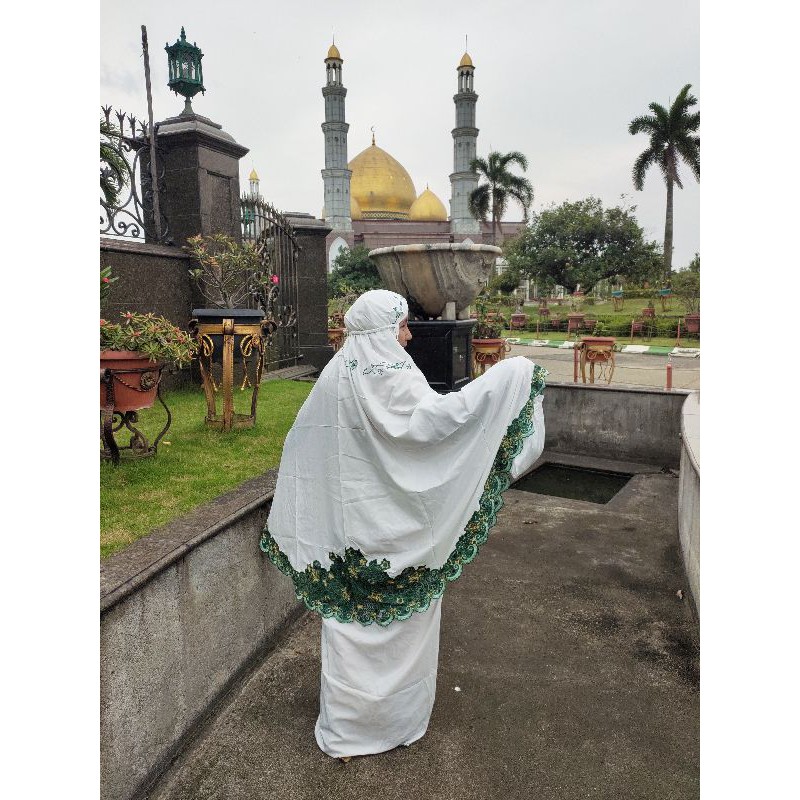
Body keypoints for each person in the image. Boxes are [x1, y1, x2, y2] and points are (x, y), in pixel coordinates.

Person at [260, 289, 547, 759]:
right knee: (398, 631)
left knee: (349, 630)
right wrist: (510, 380)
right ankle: (395, 722)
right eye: (401, 325)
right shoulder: (390, 373)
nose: (409, 335)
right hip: (397, 535)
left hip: (346, 539)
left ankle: (347, 730)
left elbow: (303, 447)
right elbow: (433, 424)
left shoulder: (336, 376)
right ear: (380, 332)